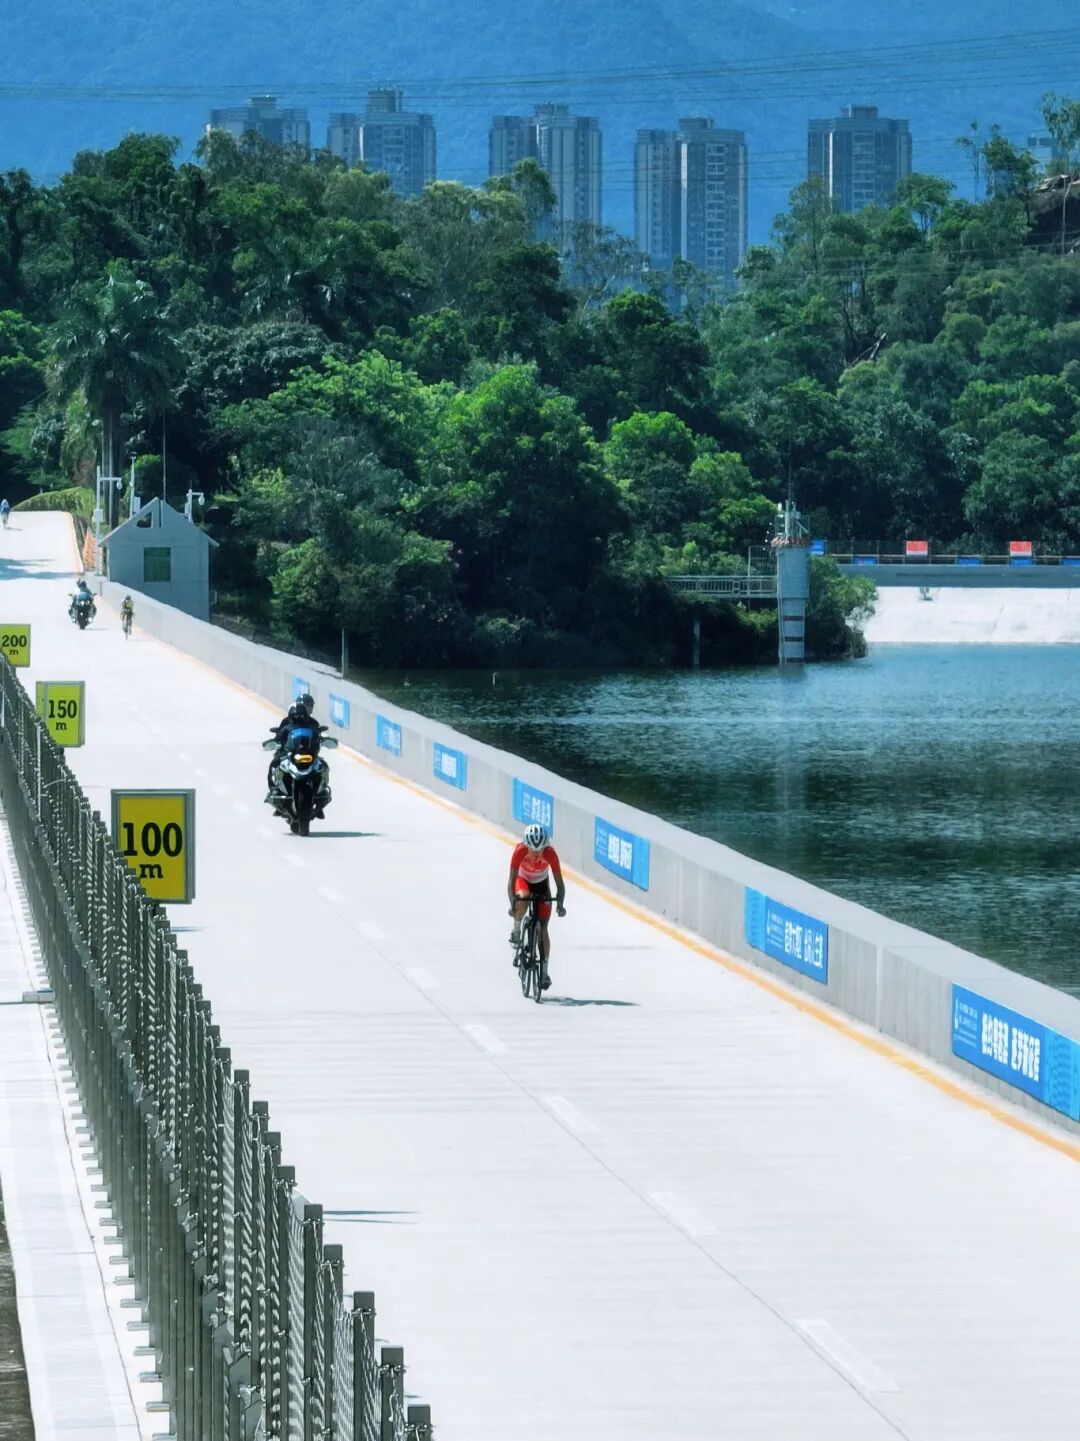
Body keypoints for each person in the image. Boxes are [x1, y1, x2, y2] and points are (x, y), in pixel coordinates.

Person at [507, 822, 566, 990]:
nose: (536, 853)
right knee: (523, 897)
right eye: (533, 850)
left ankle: (544, 973)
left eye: (540, 850)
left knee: (544, 927)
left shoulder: (550, 853)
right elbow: (511, 881)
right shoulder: (519, 850)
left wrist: (560, 904)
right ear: (526, 845)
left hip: (541, 884)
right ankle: (517, 930)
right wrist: (513, 904)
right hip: (523, 880)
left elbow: (560, 884)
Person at [265, 697, 332, 815]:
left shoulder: (313, 723)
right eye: (307, 705)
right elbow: (279, 735)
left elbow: (317, 736)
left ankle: (321, 791)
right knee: (274, 764)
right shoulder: (286, 723)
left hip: (309, 753)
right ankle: (274, 790)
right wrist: (276, 742)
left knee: (323, 766)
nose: (299, 716)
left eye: (310, 705)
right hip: (288, 752)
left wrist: (321, 742)